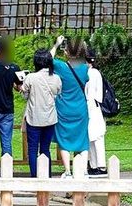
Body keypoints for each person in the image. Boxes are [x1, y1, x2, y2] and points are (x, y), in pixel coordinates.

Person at [50, 35, 90, 178]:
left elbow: (48, 59)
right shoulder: (84, 68)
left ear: (66, 52)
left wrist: (56, 45)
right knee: (83, 139)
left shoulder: (61, 67)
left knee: (64, 139)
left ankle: (67, 171)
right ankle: (84, 171)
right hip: (80, 108)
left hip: (64, 108)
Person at [19, 49, 61, 178]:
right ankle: (47, 176)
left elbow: (25, 96)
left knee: (32, 149)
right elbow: (58, 92)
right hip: (50, 118)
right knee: (45, 149)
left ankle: (35, 177)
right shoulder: (56, 78)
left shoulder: (31, 77)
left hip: (34, 118)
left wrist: (21, 89)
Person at [85, 47, 107, 175]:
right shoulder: (96, 72)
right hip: (95, 106)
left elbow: (89, 92)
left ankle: (97, 164)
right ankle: (97, 164)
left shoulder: (89, 73)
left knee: (94, 137)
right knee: (95, 136)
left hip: (91, 105)